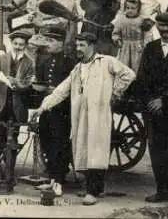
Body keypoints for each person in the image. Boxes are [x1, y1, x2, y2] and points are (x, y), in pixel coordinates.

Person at [31, 32, 135, 205]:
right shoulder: (78, 68)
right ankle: (92, 188)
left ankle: (93, 192)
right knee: (84, 149)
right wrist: (43, 107)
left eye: (82, 45)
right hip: (81, 114)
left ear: (91, 45)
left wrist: (115, 92)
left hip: (99, 114)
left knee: (97, 150)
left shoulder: (106, 62)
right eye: (77, 45)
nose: (78, 49)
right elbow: (61, 91)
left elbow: (128, 74)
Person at [133, 12, 168, 202]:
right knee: (156, 148)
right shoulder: (150, 48)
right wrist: (151, 101)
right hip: (152, 107)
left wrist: (164, 100)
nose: (165, 31)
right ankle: (163, 190)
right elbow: (142, 77)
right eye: (161, 26)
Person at [29, 23, 75, 195]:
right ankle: (52, 178)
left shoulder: (70, 62)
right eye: (47, 40)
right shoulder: (44, 61)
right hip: (46, 109)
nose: (47, 44)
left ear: (61, 43)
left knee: (59, 143)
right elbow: (39, 84)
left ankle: (59, 179)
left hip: (62, 111)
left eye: (51, 41)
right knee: (46, 141)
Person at [0, 29, 35, 181]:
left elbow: (31, 81)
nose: (18, 46)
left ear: (25, 46)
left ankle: (9, 174)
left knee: (13, 139)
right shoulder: (2, 59)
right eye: (15, 43)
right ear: (11, 44)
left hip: (16, 106)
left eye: (21, 44)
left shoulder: (29, 62)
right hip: (0, 104)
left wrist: (19, 84)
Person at [111, 0, 154, 73]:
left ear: (138, 9)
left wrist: (145, 46)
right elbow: (115, 33)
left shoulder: (142, 21)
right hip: (125, 47)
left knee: (137, 66)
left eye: (133, 8)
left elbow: (147, 35)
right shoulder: (121, 20)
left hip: (138, 47)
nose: (130, 10)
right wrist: (117, 39)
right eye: (128, 8)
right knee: (124, 66)